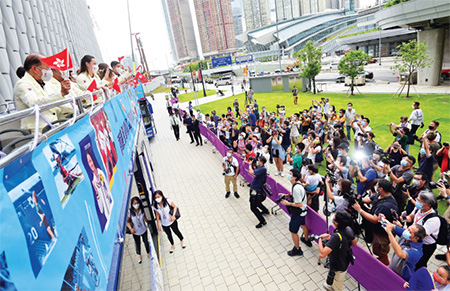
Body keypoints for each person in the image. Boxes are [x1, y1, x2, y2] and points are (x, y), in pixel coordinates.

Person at [14, 54, 71, 132]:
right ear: (35, 69)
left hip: (53, 126)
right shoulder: (23, 84)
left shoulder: (44, 83)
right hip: (38, 131)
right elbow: (33, 103)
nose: (50, 71)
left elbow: (54, 102)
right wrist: (61, 94)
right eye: (47, 68)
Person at [352, 179, 398, 265]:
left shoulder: (385, 205)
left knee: (379, 250)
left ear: (381, 189)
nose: (375, 187)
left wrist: (360, 210)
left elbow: (375, 219)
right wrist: (357, 197)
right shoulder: (380, 195)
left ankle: (384, 263)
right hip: (377, 230)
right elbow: (368, 199)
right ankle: (383, 255)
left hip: (382, 233)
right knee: (382, 249)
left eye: (377, 186)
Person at [319, 210, 357, 291]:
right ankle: (333, 286)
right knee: (337, 280)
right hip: (346, 260)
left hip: (338, 265)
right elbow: (354, 243)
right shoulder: (348, 229)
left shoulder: (336, 237)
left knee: (338, 285)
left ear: (337, 223)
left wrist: (320, 238)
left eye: (334, 217)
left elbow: (322, 254)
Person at [404, 191, 440, 270]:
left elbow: (421, 235)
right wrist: (405, 218)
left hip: (426, 245)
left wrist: (404, 229)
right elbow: (412, 216)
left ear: (428, 205)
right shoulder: (419, 208)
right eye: (417, 199)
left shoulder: (433, 220)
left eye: (420, 201)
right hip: (415, 240)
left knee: (419, 264)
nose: (417, 202)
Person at [281, 168, 311, 256]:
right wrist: (288, 195)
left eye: (290, 174)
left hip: (298, 213)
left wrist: (288, 203)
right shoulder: (298, 184)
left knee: (293, 231)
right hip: (303, 212)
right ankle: (306, 239)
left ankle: (297, 249)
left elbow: (299, 204)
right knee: (303, 224)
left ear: (295, 177)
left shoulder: (296, 188)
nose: (288, 175)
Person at [86, 150, 113, 222]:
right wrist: (97, 193)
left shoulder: (100, 172)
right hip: (109, 217)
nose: (91, 164)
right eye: (88, 162)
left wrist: (106, 192)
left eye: (91, 160)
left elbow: (110, 192)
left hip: (113, 210)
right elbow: (101, 209)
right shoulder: (93, 181)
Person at [248, 155, 269, 228]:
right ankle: (265, 210)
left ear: (262, 162)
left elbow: (251, 172)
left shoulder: (262, 169)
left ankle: (262, 221)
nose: (257, 161)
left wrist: (250, 164)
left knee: (253, 207)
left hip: (256, 190)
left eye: (258, 160)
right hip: (256, 188)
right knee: (257, 202)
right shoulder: (260, 168)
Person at [127, 197, 150, 264]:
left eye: (137, 203)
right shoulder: (130, 212)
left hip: (143, 229)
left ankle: (148, 252)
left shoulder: (142, 210)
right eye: (134, 203)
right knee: (137, 243)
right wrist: (131, 229)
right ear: (132, 204)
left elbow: (145, 218)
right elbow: (127, 222)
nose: (136, 205)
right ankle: (139, 255)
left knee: (146, 241)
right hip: (135, 231)